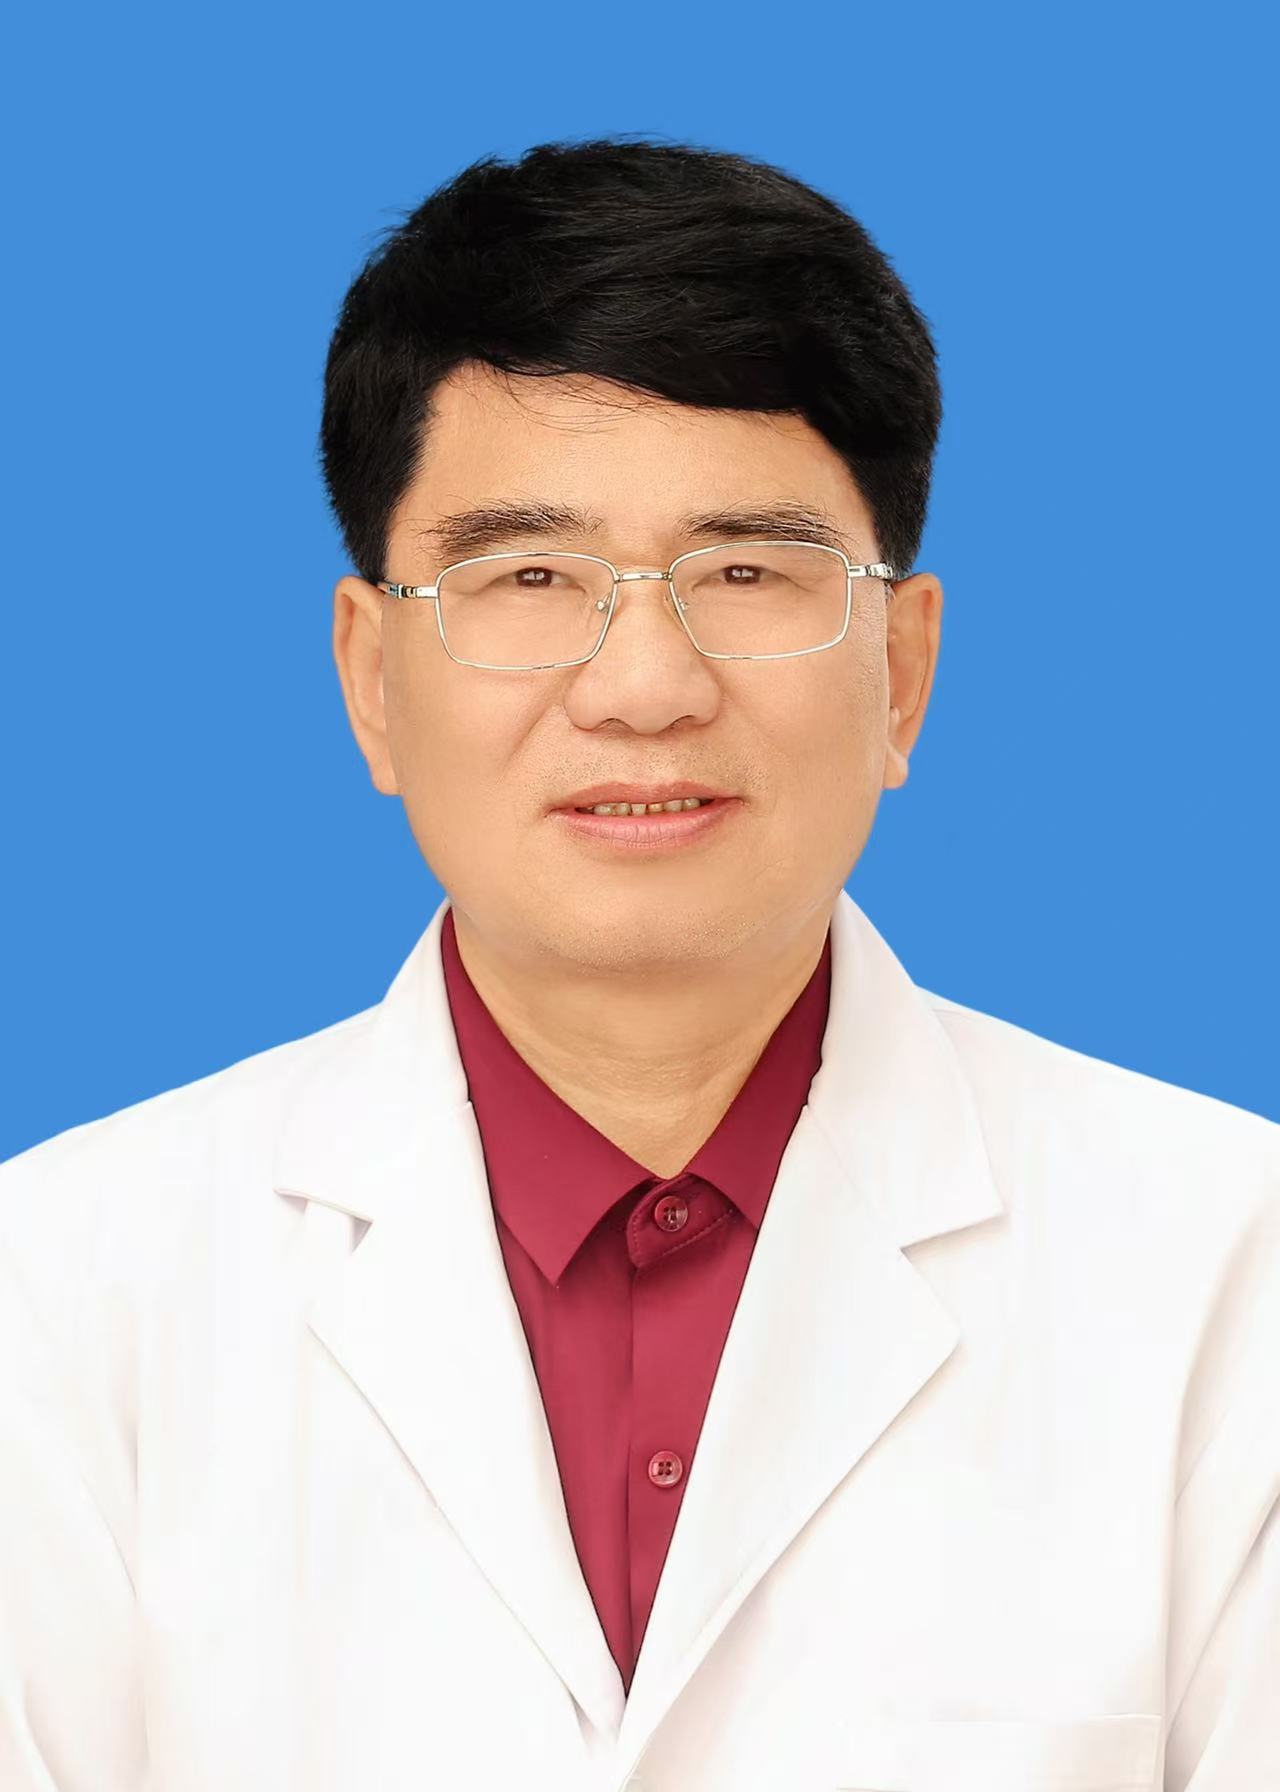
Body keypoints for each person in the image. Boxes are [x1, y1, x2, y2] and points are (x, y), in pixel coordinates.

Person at [1, 136, 1275, 1792]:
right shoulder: (59, 1293)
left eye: (745, 572)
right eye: (530, 577)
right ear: (371, 678)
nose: (644, 687)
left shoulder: (1231, 1275)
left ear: (902, 673)